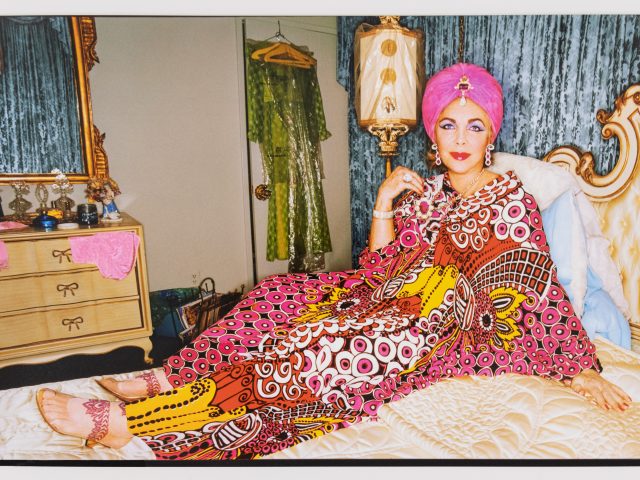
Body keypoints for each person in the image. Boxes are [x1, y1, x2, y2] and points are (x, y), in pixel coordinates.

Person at [36, 63, 632, 460]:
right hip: (388, 294)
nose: (460, 137)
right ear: (432, 132)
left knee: (331, 346)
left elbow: (536, 286)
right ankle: (168, 376)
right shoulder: (426, 196)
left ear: (490, 134)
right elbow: (379, 267)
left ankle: (141, 425)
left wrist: (577, 366)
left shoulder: (510, 196)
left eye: (474, 126)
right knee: (279, 296)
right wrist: (382, 204)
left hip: (445, 323)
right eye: (448, 124)